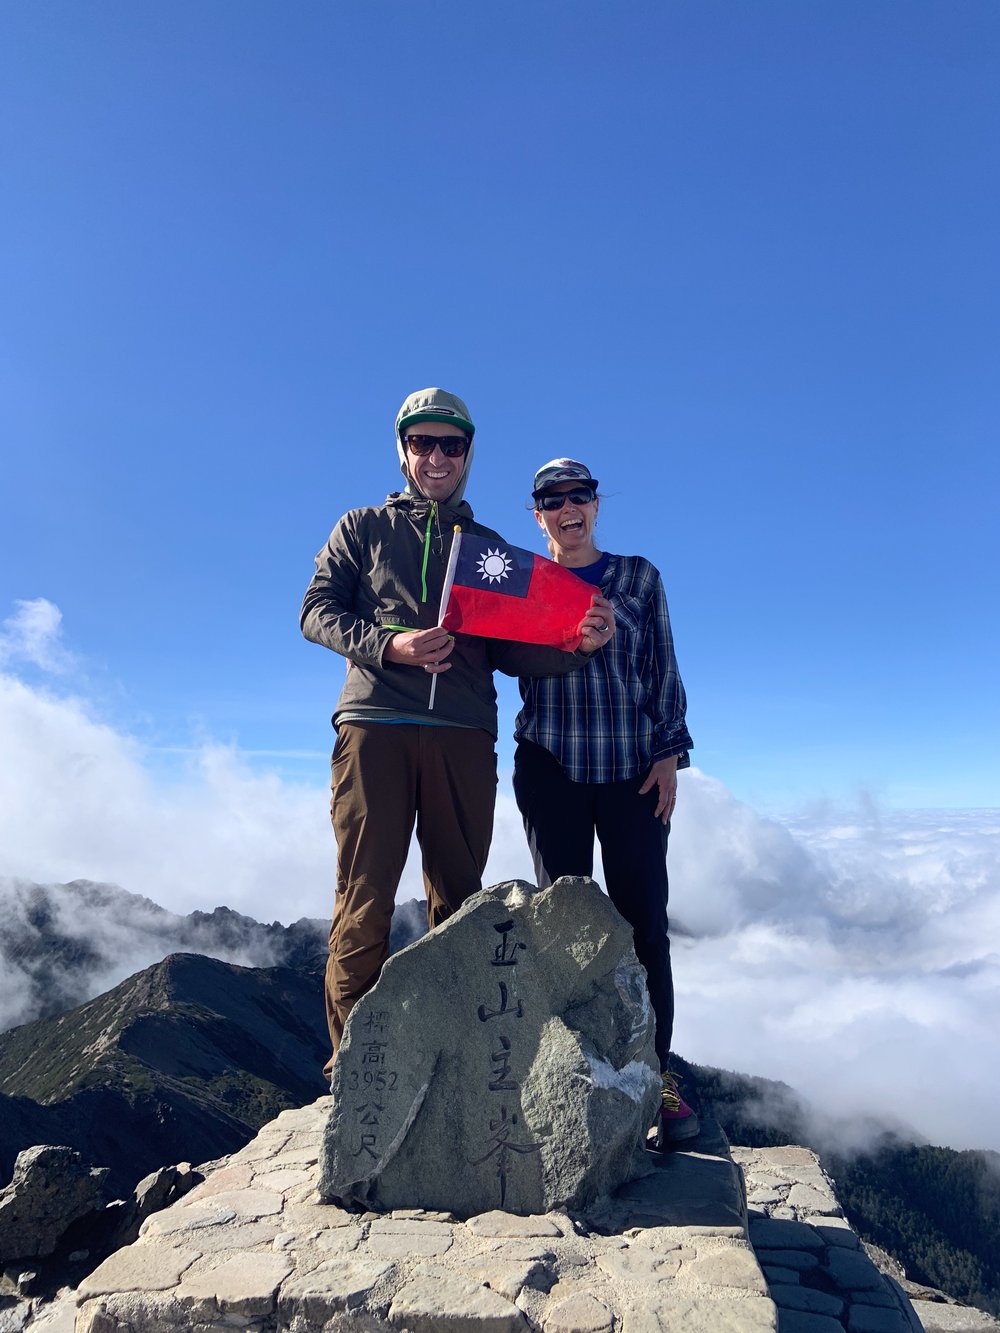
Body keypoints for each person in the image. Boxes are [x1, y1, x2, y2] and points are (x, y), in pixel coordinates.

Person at [300, 393, 615, 1078]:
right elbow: (316, 611)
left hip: (463, 733)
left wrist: (577, 645)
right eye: (423, 443)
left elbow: (516, 648)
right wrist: (392, 644)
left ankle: (447, 1061)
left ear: (467, 454)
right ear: (403, 450)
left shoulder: (488, 551)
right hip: (374, 726)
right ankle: (357, 1070)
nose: (436, 457)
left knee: (459, 899)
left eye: (451, 445)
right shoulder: (362, 527)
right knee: (364, 896)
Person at [512, 458, 698, 1146]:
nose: (568, 508)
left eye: (579, 495)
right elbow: (501, 655)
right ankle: (577, 1076)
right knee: (567, 929)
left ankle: (656, 1076)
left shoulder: (640, 579)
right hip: (552, 764)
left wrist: (669, 753)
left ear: (597, 505)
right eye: (552, 500)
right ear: (538, 516)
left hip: (632, 770)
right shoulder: (529, 583)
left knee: (645, 923)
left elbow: (664, 669)